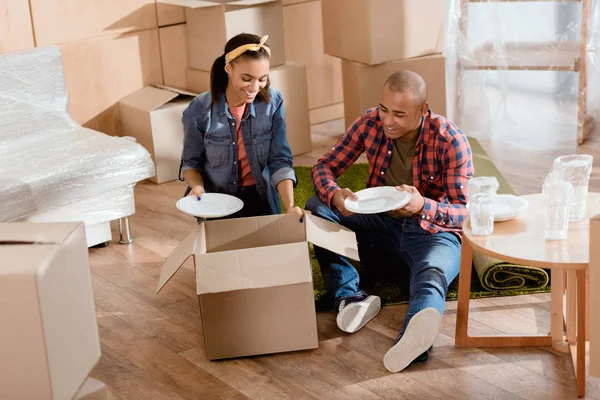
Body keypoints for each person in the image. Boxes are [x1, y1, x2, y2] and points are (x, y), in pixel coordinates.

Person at [307, 70, 474, 372]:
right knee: (317, 204)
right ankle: (350, 297)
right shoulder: (369, 122)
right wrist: (336, 195)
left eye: (399, 114)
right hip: (380, 228)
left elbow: (466, 211)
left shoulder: (450, 140)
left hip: (432, 234)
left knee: (432, 273)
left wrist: (422, 205)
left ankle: (415, 337)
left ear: (423, 110)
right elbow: (324, 167)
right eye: (384, 109)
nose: (388, 121)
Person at [180, 33, 303, 221]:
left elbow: (279, 159)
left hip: (260, 198)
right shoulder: (199, 109)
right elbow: (191, 163)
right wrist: (197, 188)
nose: (255, 87)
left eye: (262, 79)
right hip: (217, 202)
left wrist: (290, 206)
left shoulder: (273, 102)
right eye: (247, 78)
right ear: (228, 68)